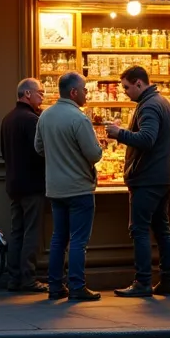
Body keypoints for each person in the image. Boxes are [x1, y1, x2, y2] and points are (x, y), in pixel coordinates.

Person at [105, 66, 170, 298]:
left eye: (127, 87)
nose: (125, 92)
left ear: (139, 83)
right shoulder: (161, 102)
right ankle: (168, 280)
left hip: (148, 178)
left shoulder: (149, 106)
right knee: (161, 228)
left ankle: (143, 281)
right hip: (162, 176)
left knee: (140, 229)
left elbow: (147, 139)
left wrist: (119, 133)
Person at [34, 71, 102, 302]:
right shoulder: (79, 119)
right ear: (73, 92)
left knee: (58, 238)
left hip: (55, 187)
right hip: (79, 187)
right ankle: (76, 286)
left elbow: (38, 148)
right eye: (84, 89)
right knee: (78, 240)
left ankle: (55, 286)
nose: (86, 93)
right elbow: (94, 154)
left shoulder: (45, 116)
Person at [0, 78, 47, 293]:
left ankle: (13, 278)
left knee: (17, 231)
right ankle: (28, 278)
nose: (42, 96)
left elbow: (4, 152)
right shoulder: (31, 120)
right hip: (32, 184)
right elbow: (40, 151)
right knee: (32, 232)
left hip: (13, 184)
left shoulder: (7, 119)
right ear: (27, 94)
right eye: (40, 93)